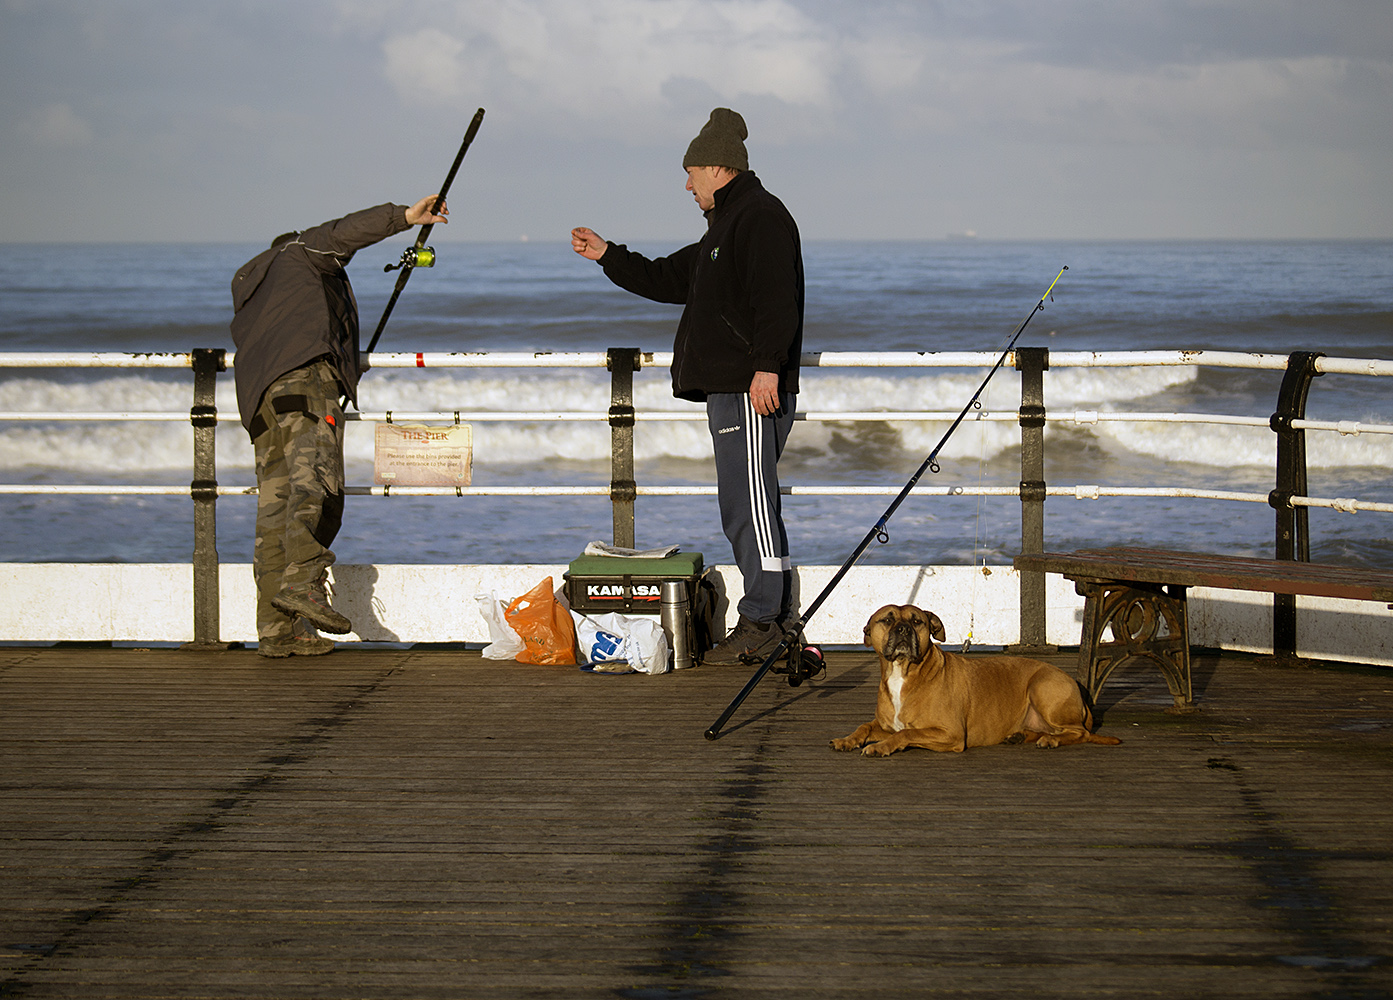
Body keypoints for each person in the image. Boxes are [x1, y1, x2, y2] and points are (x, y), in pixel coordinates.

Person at [571, 107, 804, 665]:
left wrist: (767, 366)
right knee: (742, 504)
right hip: (733, 388)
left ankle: (765, 618)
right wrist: (609, 255)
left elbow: (777, 299)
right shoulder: (724, 227)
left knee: (750, 505)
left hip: (749, 388)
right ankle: (772, 617)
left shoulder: (759, 217)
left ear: (719, 168)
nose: (686, 183)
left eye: (691, 172)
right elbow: (668, 278)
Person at [230, 196, 448, 658]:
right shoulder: (300, 254)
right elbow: (340, 233)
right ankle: (306, 583)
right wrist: (406, 217)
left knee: (276, 509)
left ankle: (277, 631)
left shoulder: (253, 287)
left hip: (260, 404)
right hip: (305, 386)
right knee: (317, 488)